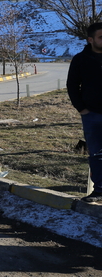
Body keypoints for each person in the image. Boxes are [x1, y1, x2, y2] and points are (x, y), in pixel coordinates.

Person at [67, 22, 102, 203]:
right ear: (90, 40)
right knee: (96, 154)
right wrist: (82, 109)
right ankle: (99, 191)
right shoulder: (80, 59)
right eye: (101, 37)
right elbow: (72, 86)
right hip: (92, 115)